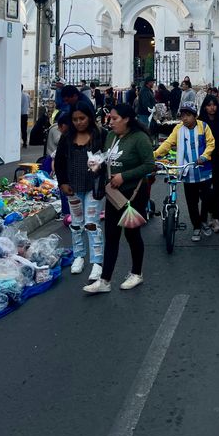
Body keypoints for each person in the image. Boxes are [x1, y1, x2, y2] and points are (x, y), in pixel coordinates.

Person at [84, 105, 155, 294]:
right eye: (110, 118)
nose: (111, 121)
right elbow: (108, 158)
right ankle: (105, 280)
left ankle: (136, 273)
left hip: (134, 194)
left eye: (115, 118)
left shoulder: (140, 139)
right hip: (113, 194)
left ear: (126, 119)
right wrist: (97, 164)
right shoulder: (111, 137)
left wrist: (124, 176)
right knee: (111, 235)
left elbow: (149, 165)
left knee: (132, 234)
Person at [55, 102, 106, 282]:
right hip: (73, 188)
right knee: (76, 224)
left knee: (92, 224)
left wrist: (100, 168)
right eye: (75, 119)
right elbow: (59, 162)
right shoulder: (67, 137)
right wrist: (62, 183)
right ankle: (79, 256)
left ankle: (97, 262)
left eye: (82, 118)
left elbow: (108, 159)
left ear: (90, 117)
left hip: (94, 187)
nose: (78, 122)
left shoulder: (100, 135)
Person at [154, 103, 215, 242]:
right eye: (182, 115)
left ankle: (204, 221)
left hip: (204, 171)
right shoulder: (178, 128)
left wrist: (204, 156)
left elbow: (211, 143)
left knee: (206, 200)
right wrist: (155, 155)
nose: (185, 118)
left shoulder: (204, 127)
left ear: (195, 116)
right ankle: (197, 227)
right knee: (191, 202)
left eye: (188, 115)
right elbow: (168, 143)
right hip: (187, 172)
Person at [198, 95, 219, 233]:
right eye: (209, 105)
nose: (212, 108)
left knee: (217, 189)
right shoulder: (199, 122)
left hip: (218, 159)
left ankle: (215, 218)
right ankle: (205, 216)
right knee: (204, 191)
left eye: (214, 105)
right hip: (204, 160)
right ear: (205, 106)